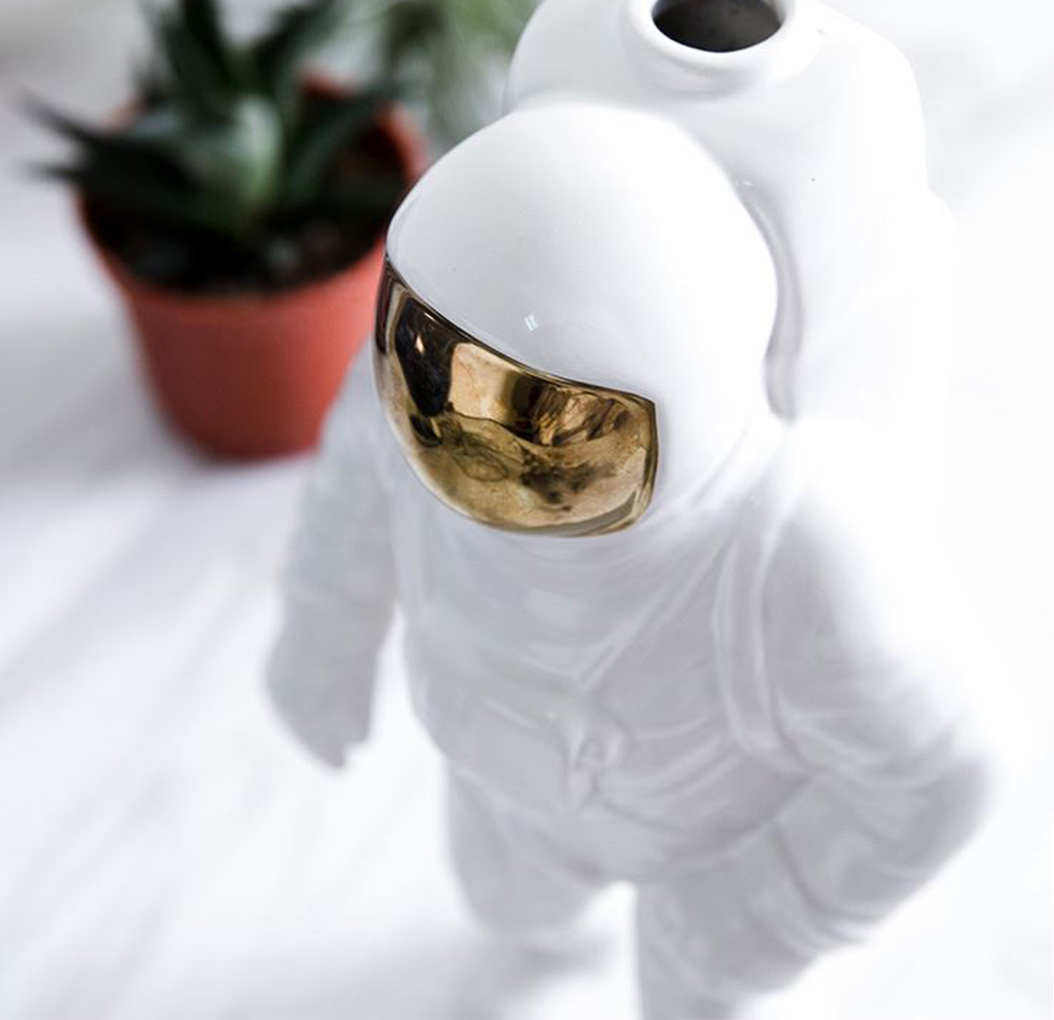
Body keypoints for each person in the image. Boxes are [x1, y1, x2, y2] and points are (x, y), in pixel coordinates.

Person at [267, 103, 988, 1018]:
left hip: (714, 849)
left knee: (691, 995)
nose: (462, 435)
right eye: (428, 360)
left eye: (547, 422)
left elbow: (941, 775)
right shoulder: (402, 407)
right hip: (501, 794)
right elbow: (350, 503)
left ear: (677, 406)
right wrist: (321, 645)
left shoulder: (791, 552)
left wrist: (759, 909)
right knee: (509, 910)